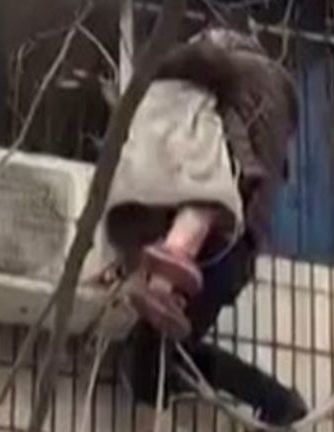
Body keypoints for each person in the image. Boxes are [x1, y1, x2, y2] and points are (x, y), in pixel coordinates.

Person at [97, 18, 308, 425]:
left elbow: (199, 62)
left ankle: (273, 400)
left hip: (214, 237)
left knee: (151, 359)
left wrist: (142, 80)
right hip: (235, 255)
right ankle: (273, 400)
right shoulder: (271, 115)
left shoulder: (237, 71)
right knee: (166, 347)